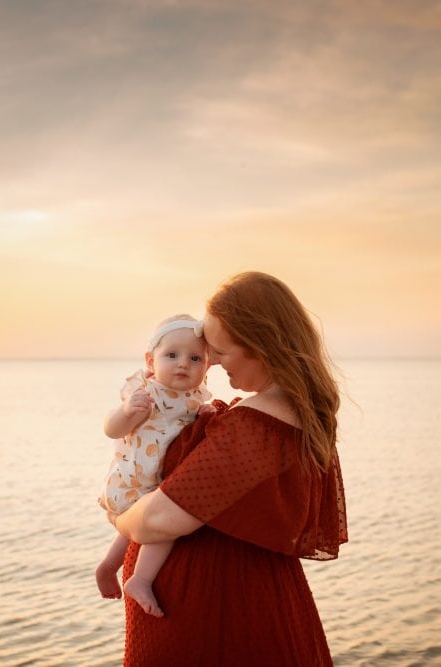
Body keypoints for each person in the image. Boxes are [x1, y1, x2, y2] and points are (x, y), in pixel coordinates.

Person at [111, 271, 348, 666]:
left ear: (261, 347)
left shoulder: (256, 426)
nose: (214, 364)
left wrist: (120, 517)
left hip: (214, 613)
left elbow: (158, 521)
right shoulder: (288, 414)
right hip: (233, 599)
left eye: (220, 351)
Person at [96, 315, 212, 618]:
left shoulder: (196, 399)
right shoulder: (146, 393)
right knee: (164, 529)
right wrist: (126, 411)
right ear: (151, 360)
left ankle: (109, 566)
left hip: (154, 484)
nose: (183, 364)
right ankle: (140, 579)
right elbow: (112, 429)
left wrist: (206, 417)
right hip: (133, 480)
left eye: (195, 358)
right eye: (171, 355)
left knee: (144, 524)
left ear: (207, 366)